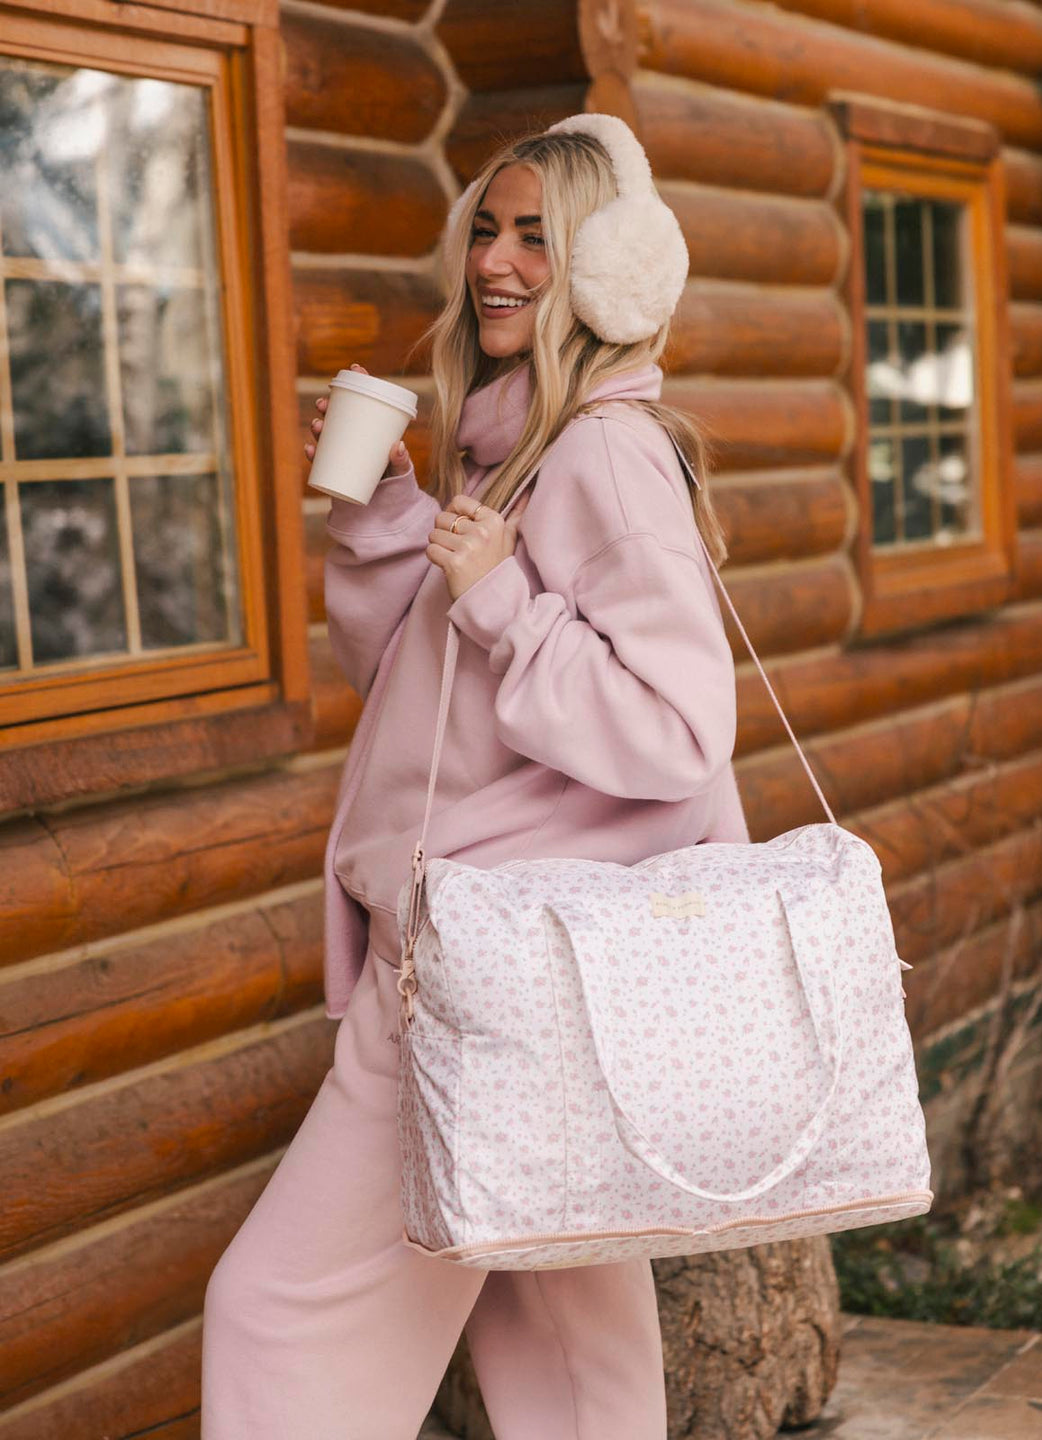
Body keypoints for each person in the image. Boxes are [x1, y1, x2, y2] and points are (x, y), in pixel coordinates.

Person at [201, 113, 749, 1440]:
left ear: (610, 267)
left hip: (483, 962)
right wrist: (395, 516)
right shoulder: (514, 447)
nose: (494, 264)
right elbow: (419, 689)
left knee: (274, 1310)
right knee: (561, 1326)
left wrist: (502, 601)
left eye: (537, 238)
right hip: (521, 960)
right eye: (487, 231)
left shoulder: (605, 454)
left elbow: (682, 728)